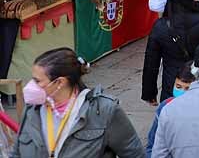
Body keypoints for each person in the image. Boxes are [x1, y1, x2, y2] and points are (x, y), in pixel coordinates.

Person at [15, 47, 143, 158]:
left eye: (38, 81)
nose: (31, 86)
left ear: (60, 82)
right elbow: (17, 153)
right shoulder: (33, 109)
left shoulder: (104, 110)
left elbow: (135, 154)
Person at [146, 64, 194, 158]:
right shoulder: (165, 106)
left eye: (187, 88)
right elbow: (152, 142)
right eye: (178, 87)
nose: (182, 92)